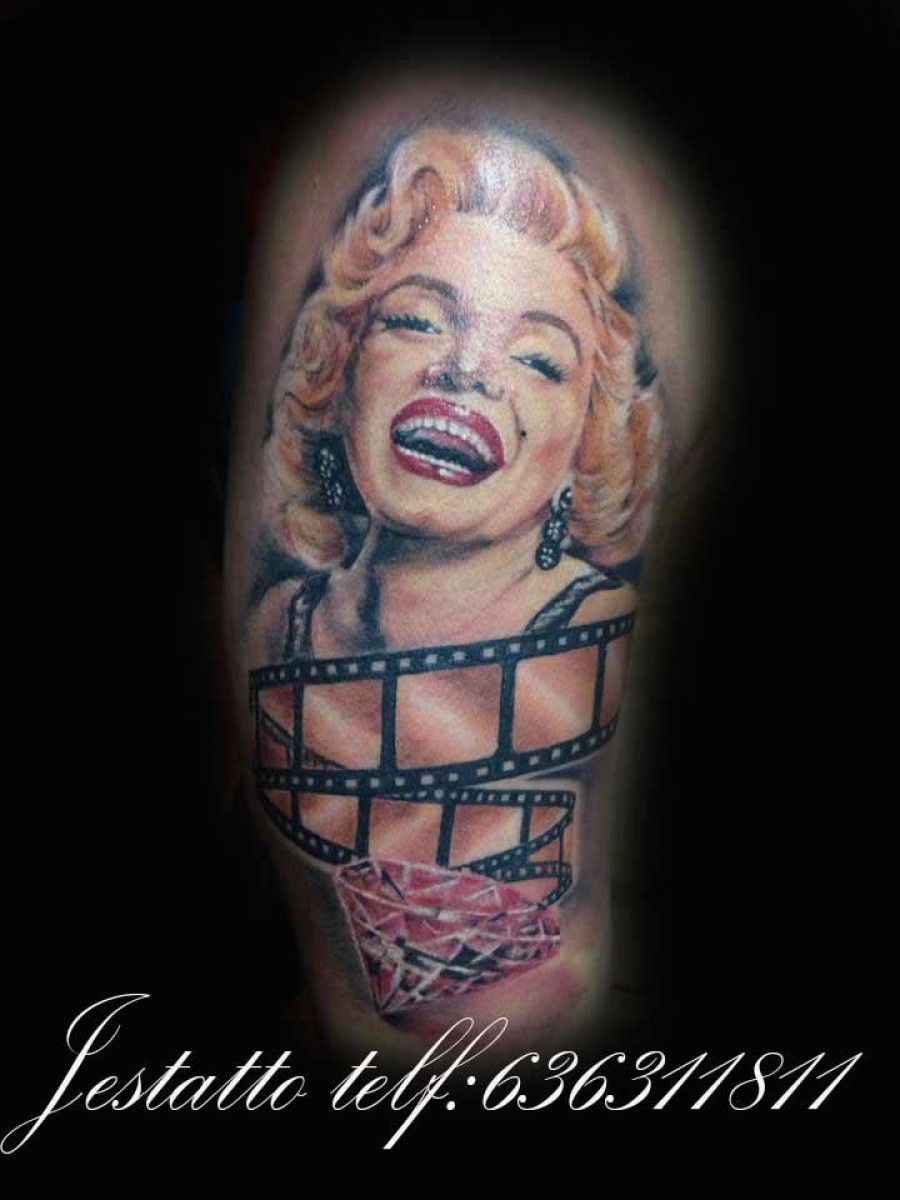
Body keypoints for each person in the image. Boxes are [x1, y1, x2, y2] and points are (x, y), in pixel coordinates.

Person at [234, 113, 673, 1054]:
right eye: (416, 319)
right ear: (340, 370)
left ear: (585, 445)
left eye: (539, 359)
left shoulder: (591, 634)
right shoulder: (282, 627)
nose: (466, 371)